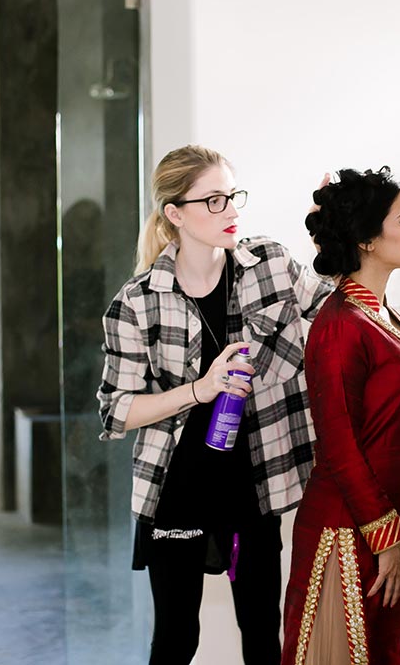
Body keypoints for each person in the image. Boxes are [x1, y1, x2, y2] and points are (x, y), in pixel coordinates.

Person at [97, 145, 334, 665]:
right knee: (177, 638)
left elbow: (338, 305)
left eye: (232, 196)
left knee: (260, 631)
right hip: (178, 487)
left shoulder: (268, 264)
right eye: (213, 200)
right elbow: (116, 411)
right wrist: (199, 391)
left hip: (255, 482)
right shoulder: (137, 302)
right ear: (175, 214)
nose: (230, 210)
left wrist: (329, 233)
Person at [281, 167, 400, 664]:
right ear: (369, 241)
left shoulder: (380, 314)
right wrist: (385, 533)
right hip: (352, 529)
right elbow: (340, 446)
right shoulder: (339, 326)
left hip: (395, 513)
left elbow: (392, 424)